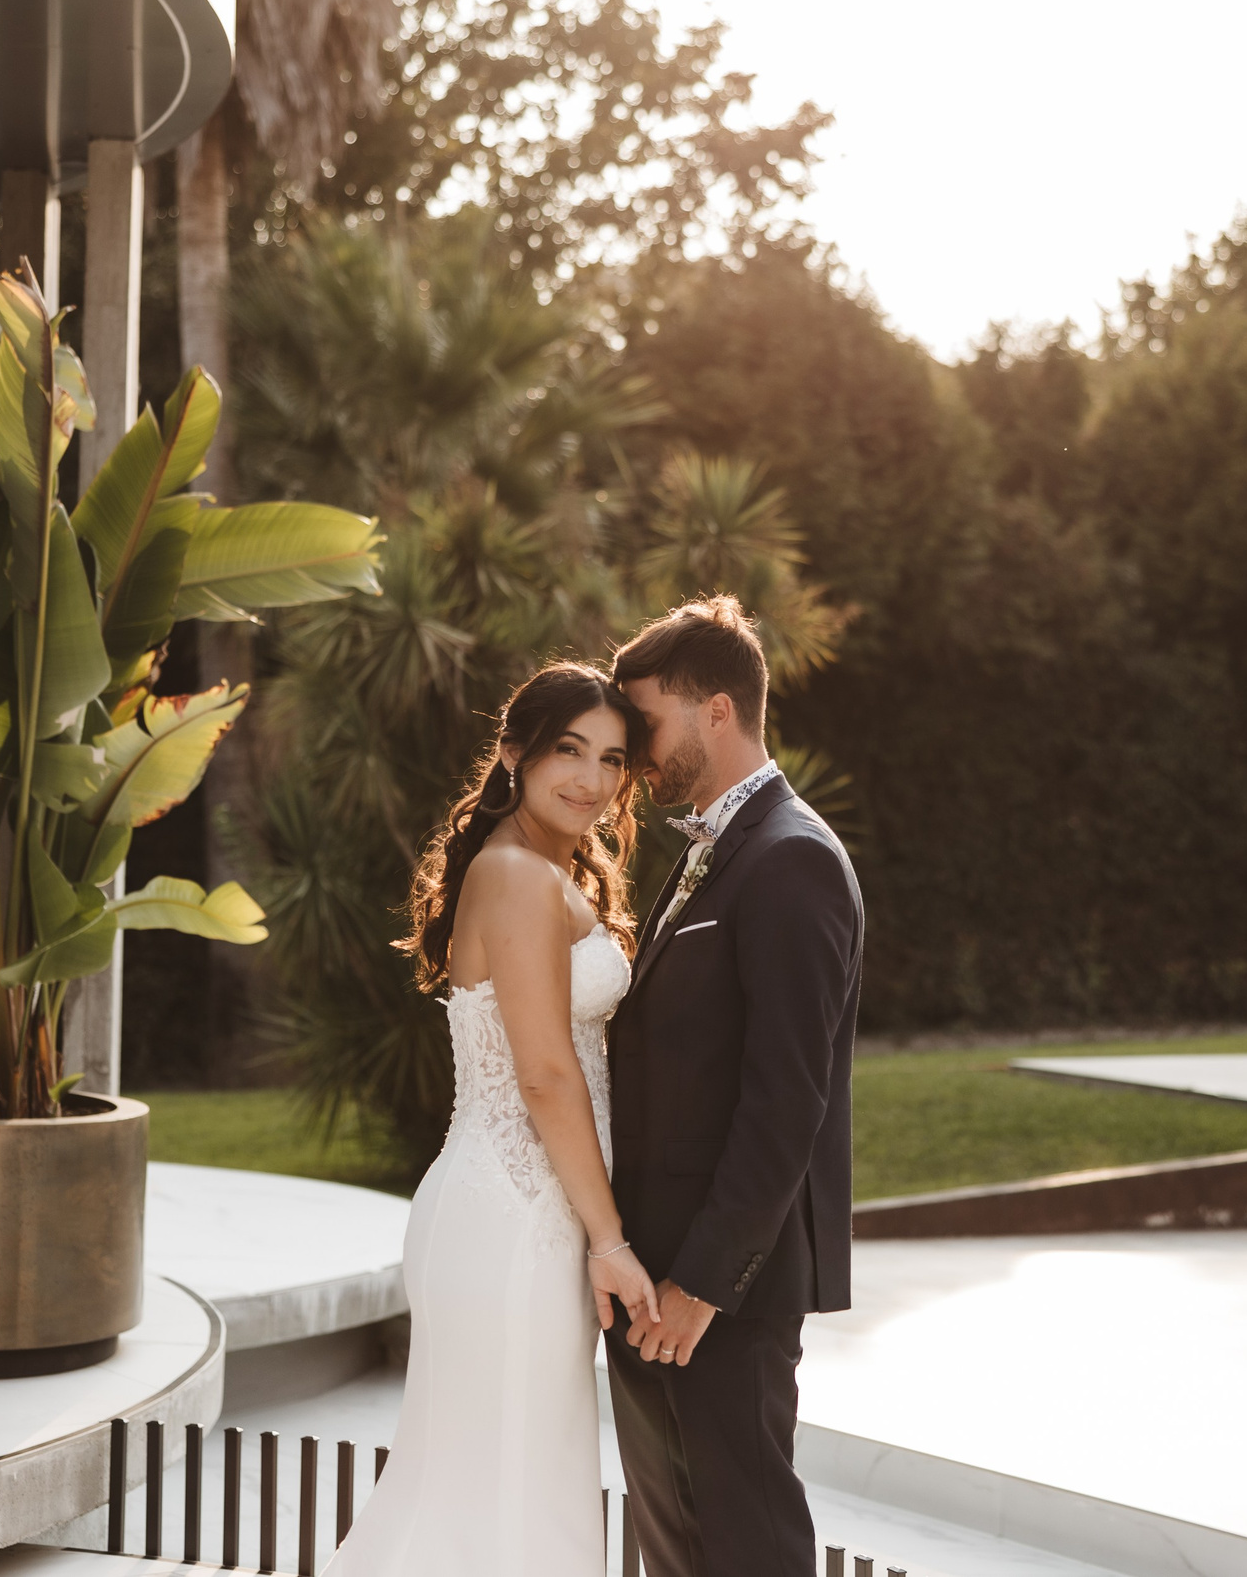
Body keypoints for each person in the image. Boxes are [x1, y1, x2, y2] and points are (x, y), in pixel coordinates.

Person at [325, 661, 661, 1577]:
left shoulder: (543, 867)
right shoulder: (516, 874)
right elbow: (547, 1076)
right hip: (514, 1216)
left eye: (612, 759)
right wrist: (609, 1239)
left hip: (522, 1213)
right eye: (568, 749)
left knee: (494, 1482)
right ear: (512, 752)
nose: (591, 779)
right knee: (498, 1490)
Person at [607, 595, 866, 1577]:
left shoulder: (792, 858)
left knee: (743, 1534)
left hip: (718, 1289)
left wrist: (703, 1283)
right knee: (678, 1536)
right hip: (656, 1276)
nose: (634, 752)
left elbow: (784, 1100)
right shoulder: (709, 852)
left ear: (716, 709)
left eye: (647, 724)